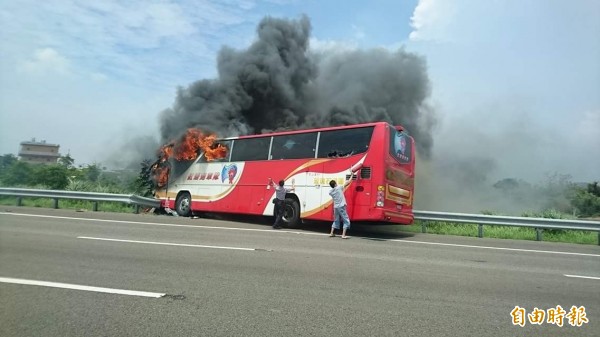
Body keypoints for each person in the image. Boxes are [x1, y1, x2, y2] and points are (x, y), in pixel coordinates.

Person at [328, 172, 353, 239]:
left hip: (335, 207)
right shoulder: (339, 188)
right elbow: (347, 183)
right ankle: (343, 235)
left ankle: (331, 233)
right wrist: (352, 175)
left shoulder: (330, 192)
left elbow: (333, 190)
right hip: (341, 206)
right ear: (335, 184)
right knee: (346, 219)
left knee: (336, 219)